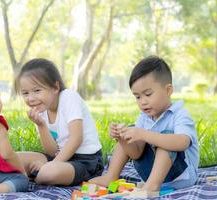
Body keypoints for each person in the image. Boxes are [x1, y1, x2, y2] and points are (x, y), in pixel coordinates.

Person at [89, 56, 199, 192]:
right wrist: (122, 138)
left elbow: (182, 142)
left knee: (166, 138)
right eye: (138, 97)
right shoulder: (144, 118)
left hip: (180, 177)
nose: (143, 102)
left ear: (168, 90)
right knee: (129, 132)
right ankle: (111, 176)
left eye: (148, 94)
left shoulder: (179, 114)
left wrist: (144, 134)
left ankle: (152, 186)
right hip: (149, 174)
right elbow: (136, 154)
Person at [15, 58, 104, 186]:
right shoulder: (40, 110)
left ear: (55, 87)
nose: (30, 98)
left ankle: (34, 176)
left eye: (37, 91)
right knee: (12, 158)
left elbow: (76, 138)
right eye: (25, 93)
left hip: (85, 161)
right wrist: (41, 125)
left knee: (48, 173)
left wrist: (51, 164)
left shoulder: (68, 97)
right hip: (59, 157)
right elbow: (52, 151)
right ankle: (33, 173)